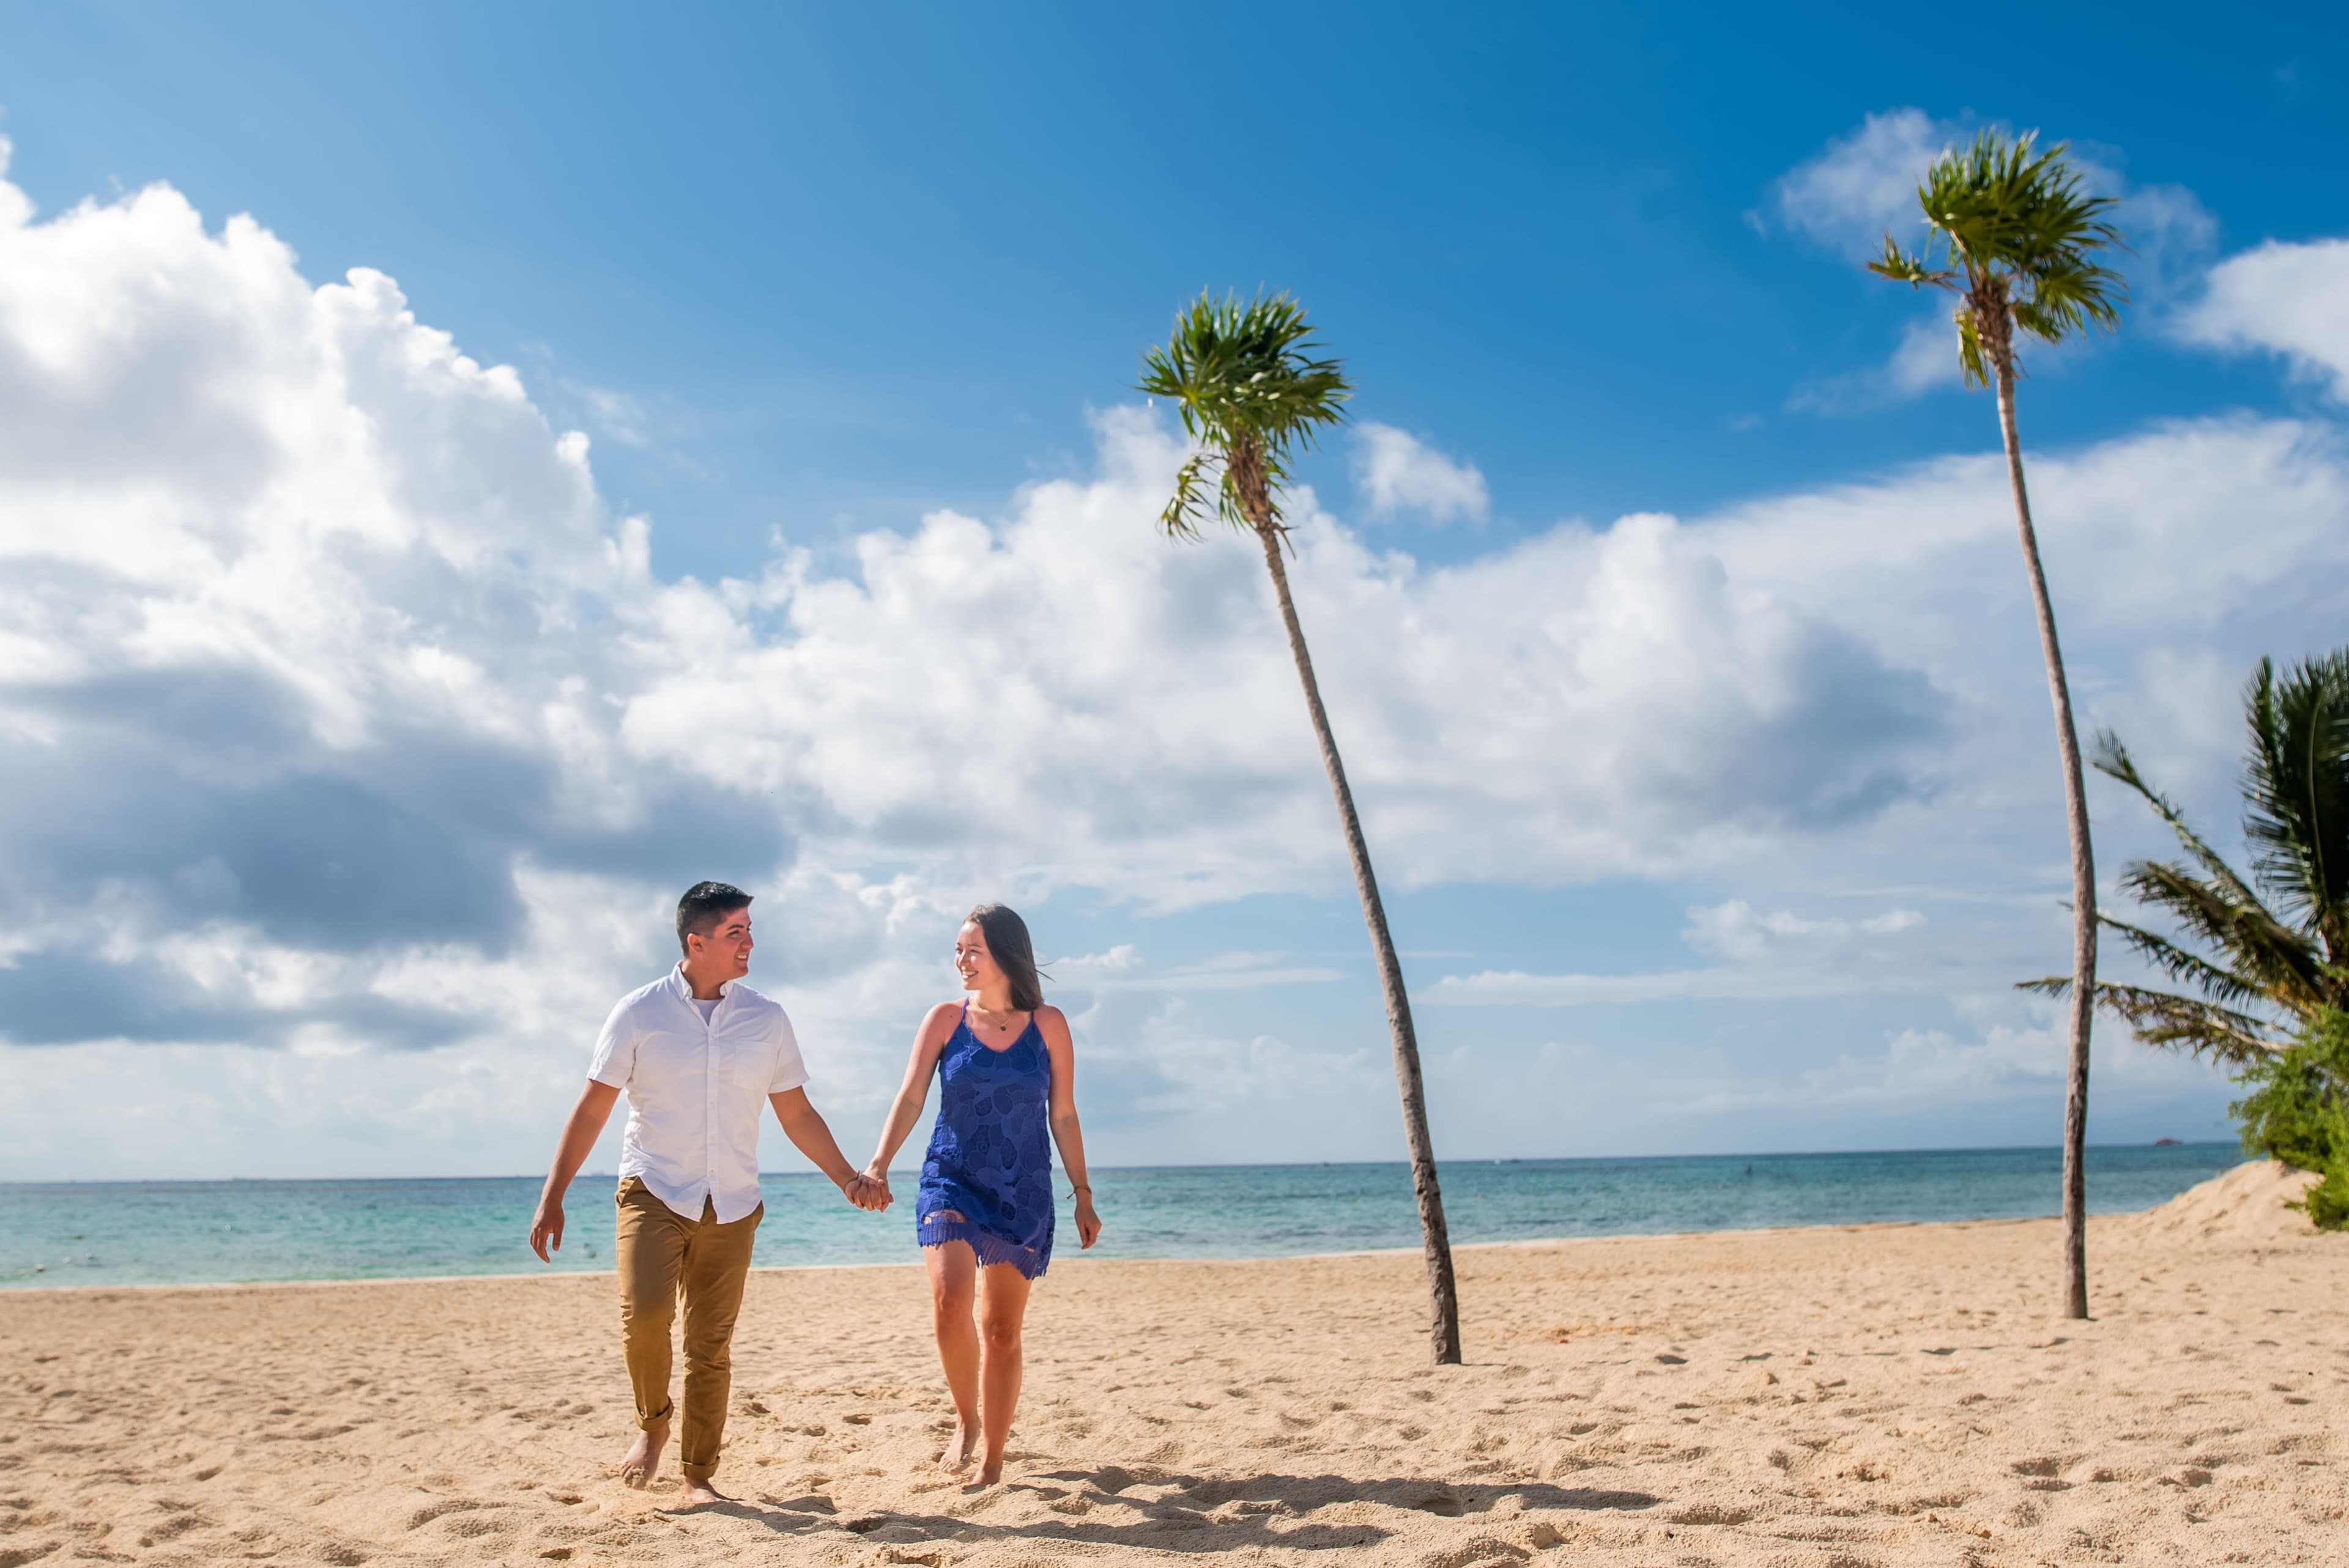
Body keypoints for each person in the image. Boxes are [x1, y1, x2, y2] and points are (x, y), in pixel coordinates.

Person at [529, 881, 886, 1505]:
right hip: (653, 1188)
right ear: (697, 942)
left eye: (750, 928)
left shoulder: (767, 1017)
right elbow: (592, 1109)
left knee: (709, 1346)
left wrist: (848, 1176)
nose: (750, 941)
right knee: (644, 1317)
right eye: (735, 932)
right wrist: (552, 1193)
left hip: (734, 1201)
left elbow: (797, 1112)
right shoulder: (638, 1012)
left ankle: (698, 1474)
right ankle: (653, 1422)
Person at [860, 903, 1102, 1486]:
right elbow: (913, 1096)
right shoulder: (945, 1019)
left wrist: (1083, 1193)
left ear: (1005, 955)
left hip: (1023, 1188)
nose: (961, 960)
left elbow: (1063, 1114)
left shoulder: (1049, 1025)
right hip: (952, 1176)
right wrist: (879, 1164)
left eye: (973, 949)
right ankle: (966, 1420)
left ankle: (993, 1456)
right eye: (958, 949)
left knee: (1000, 1330)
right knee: (949, 1304)